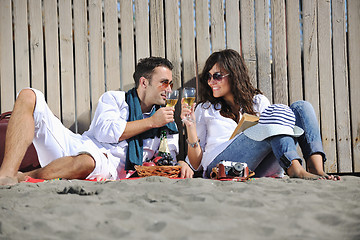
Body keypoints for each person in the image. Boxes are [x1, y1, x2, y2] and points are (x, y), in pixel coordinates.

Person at [0, 56, 193, 185]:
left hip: (103, 164)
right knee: (29, 95)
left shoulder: (166, 122)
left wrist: (182, 163)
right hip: (77, 143)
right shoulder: (115, 99)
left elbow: (166, 160)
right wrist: (151, 122)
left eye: (171, 84)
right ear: (144, 82)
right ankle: (6, 175)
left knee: (87, 162)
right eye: (164, 82)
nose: (169, 89)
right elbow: (105, 132)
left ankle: (23, 177)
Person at [181, 49, 339, 180]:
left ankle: (316, 169)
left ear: (234, 75)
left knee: (301, 107)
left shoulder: (258, 101)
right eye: (208, 77)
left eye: (217, 76)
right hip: (221, 167)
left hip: (259, 168)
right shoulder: (205, 108)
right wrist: (191, 128)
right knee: (276, 114)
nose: (211, 81)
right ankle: (295, 169)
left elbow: (278, 135)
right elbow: (196, 165)